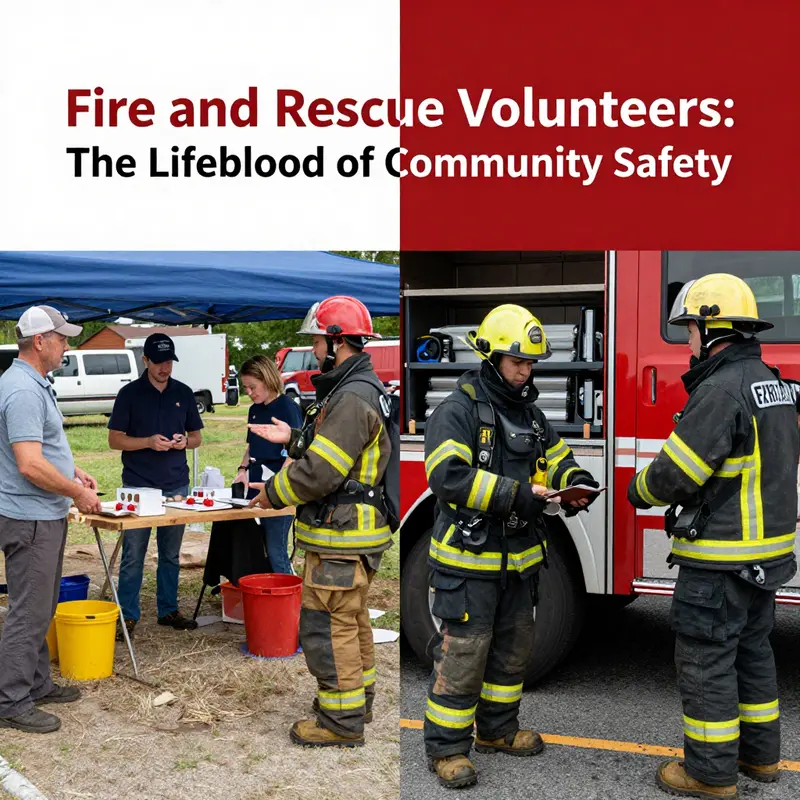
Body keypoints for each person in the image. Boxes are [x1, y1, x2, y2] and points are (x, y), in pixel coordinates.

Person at [627, 274, 799, 797]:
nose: (688, 341)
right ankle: (760, 760)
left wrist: (637, 490)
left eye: (690, 330)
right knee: (753, 653)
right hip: (766, 559)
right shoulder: (772, 383)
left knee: (705, 662)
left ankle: (709, 773)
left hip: (720, 560)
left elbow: (675, 475)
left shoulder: (721, 390)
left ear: (712, 328)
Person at [421, 304, 598, 789]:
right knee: (463, 658)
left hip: (519, 563)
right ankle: (446, 749)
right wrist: (518, 494)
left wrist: (576, 481)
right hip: (468, 562)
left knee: (512, 653)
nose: (525, 371)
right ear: (491, 356)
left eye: (531, 364)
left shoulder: (531, 415)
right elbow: (448, 477)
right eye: (517, 361)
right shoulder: (458, 411)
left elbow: (556, 458)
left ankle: (497, 731)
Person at [249, 296, 392, 748]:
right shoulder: (356, 388)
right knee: (350, 620)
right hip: (352, 532)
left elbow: (322, 473)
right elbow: (337, 451)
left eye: (316, 341)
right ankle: (357, 704)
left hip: (341, 535)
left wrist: (272, 493)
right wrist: (293, 437)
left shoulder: (351, 397)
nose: (312, 349)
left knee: (328, 627)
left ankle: (340, 721)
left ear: (337, 341)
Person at [0, 306, 102, 734]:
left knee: (40, 605)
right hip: (31, 516)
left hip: (40, 513)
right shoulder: (23, 389)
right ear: (39, 341)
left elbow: (40, 448)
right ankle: (11, 700)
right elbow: (28, 463)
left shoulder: (30, 382)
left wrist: (71, 470)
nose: (66, 347)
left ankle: (36, 683)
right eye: (61, 339)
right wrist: (77, 492)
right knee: (29, 609)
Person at [108, 333, 204, 639]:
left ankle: (168, 610)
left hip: (176, 484)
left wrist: (184, 441)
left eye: (169, 362)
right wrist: (148, 442)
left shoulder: (183, 392)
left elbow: (197, 437)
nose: (165, 368)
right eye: (159, 362)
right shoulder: (129, 394)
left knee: (171, 554)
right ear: (145, 360)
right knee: (133, 554)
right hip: (138, 485)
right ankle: (127, 615)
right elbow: (114, 440)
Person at [232, 355, 302, 574]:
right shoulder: (254, 409)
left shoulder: (288, 408)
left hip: (278, 487)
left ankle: (288, 589)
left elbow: (296, 451)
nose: (249, 392)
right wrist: (242, 470)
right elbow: (251, 445)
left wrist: (278, 484)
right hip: (255, 484)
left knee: (275, 549)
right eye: (246, 388)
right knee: (254, 546)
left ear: (267, 379)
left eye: (252, 387)